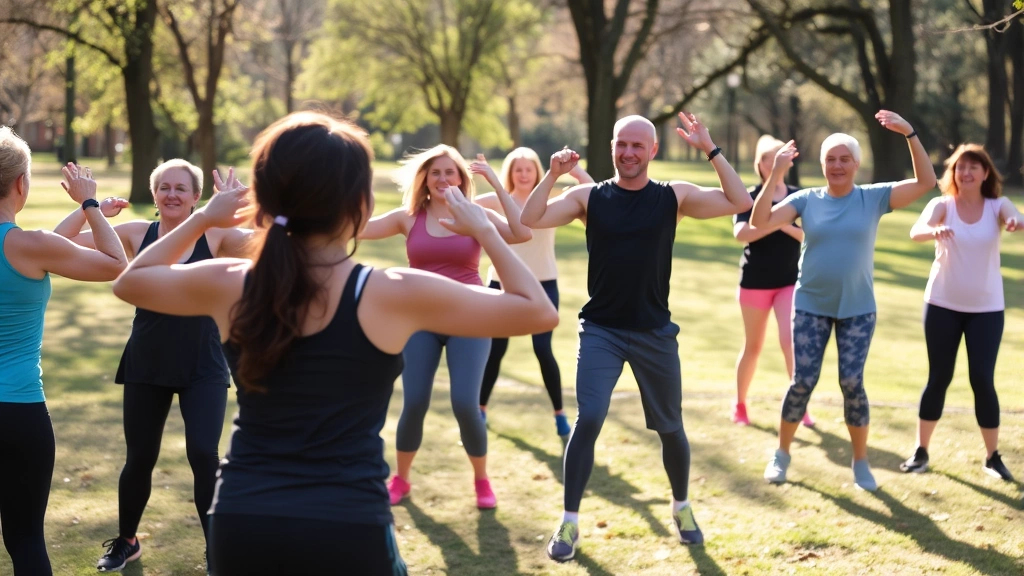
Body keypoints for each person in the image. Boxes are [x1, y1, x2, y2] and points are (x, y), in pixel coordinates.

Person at [111, 112, 558, 575]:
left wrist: (204, 217)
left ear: (264, 198)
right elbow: (538, 310)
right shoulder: (394, 292)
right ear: (360, 205)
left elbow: (132, 281)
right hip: (349, 523)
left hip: (244, 517)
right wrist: (484, 229)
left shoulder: (232, 283)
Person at [522, 113, 752, 562]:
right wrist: (552, 174)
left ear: (653, 151)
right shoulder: (588, 196)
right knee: (589, 418)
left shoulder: (673, 197)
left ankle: (681, 507)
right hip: (602, 330)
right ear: (611, 148)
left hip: (654, 333)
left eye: (637, 146)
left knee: (670, 428)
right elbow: (529, 220)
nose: (628, 153)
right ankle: (569, 523)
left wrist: (710, 149)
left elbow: (739, 199)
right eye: (621, 145)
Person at [54, 159, 252, 572]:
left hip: (203, 363)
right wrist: (90, 206)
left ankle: (218, 549)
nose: (172, 194)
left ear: (197, 197)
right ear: (155, 193)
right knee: (140, 456)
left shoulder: (215, 237)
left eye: (182, 188)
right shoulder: (134, 233)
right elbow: (59, 241)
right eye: (164, 187)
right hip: (148, 361)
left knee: (203, 454)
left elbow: (267, 241)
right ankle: (127, 541)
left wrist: (243, 207)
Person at [752, 111, 937, 492]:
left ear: (856, 164)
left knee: (852, 382)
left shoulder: (873, 197)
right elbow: (758, 223)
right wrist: (774, 175)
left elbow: (926, 182)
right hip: (810, 305)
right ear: (821, 165)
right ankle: (782, 454)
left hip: (858, 308)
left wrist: (910, 133)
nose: (837, 165)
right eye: (830, 159)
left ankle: (860, 463)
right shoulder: (806, 200)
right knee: (802, 380)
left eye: (844, 159)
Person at [360, 144, 533, 509]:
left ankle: (482, 481)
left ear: (460, 178)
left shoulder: (475, 213)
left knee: (465, 404)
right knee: (416, 402)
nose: (442, 179)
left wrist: (496, 186)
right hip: (420, 320)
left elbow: (521, 233)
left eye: (449, 172)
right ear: (424, 178)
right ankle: (402, 479)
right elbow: (357, 229)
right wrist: (360, 188)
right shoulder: (409, 216)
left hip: (470, 316)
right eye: (435, 172)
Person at [0, 126, 128, 575]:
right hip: (18, 413)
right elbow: (117, 266)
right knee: (25, 539)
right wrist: (91, 206)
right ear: (21, 184)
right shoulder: (29, 246)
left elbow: (47, 246)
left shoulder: (32, 246)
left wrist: (84, 215)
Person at [900, 143, 1022, 481]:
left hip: (986, 309)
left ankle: (992, 457)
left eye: (973, 167)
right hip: (942, 305)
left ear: (985, 174)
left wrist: (1014, 221)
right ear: (953, 173)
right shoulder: (942, 206)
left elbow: (1017, 218)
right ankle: (921, 451)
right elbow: (916, 231)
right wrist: (934, 231)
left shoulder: (998, 205)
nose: (966, 173)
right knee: (939, 376)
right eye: (960, 167)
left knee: (982, 379)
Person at [470, 148, 593, 440]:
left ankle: (560, 415)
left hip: (543, 283)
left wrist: (572, 170)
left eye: (529, 169)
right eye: (517, 169)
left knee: (542, 350)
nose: (523, 174)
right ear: (509, 173)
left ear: (538, 171)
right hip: (501, 284)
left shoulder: (549, 200)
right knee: (495, 351)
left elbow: (592, 191)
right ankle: (480, 410)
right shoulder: (497, 200)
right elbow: (459, 204)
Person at [731, 135, 814, 427]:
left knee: (791, 342)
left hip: (789, 281)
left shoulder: (798, 195)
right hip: (754, 283)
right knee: (753, 346)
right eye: (771, 156)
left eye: (782, 155)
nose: (779, 160)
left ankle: (799, 405)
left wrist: (775, 222)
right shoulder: (749, 196)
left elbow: (809, 235)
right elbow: (742, 233)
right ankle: (740, 404)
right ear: (761, 164)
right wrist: (777, 222)